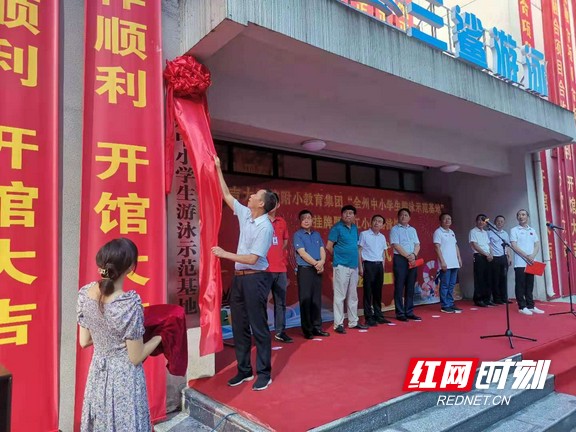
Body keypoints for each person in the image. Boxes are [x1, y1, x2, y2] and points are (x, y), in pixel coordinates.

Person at [77, 238, 162, 432]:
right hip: (124, 379)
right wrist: (160, 337)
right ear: (131, 267)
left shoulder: (85, 293)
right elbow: (136, 356)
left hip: (98, 374)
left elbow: (84, 341)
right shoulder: (128, 305)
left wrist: (105, 337)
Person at [211, 156, 276, 391]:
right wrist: (218, 168)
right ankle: (244, 370)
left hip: (256, 279)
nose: (250, 196)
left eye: (255, 196)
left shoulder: (265, 227)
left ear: (262, 204)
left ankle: (264, 373)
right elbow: (226, 196)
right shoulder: (246, 214)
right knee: (239, 326)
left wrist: (224, 254)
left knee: (258, 326)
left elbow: (252, 259)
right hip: (239, 280)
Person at [326, 205, 369, 333]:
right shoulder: (336, 228)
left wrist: (360, 266)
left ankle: (353, 322)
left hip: (354, 266)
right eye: (345, 213)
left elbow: (356, 248)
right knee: (340, 296)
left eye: (351, 213)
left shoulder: (355, 228)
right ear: (341, 215)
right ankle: (338, 324)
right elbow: (329, 246)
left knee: (353, 295)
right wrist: (338, 257)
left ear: (355, 216)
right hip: (341, 266)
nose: (348, 215)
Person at [294, 209, 330, 339]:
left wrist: (322, 262)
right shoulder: (298, 235)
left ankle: (317, 327)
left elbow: (322, 249)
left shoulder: (317, 235)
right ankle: (307, 330)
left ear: (312, 219)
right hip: (305, 269)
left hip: (317, 268)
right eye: (304, 218)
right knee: (306, 300)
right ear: (300, 221)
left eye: (309, 218)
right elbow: (302, 253)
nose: (307, 220)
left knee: (316, 300)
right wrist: (316, 263)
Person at [266, 193, 292, 343]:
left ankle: (280, 332)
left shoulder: (281, 221)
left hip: (280, 269)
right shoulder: (260, 221)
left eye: (274, 201)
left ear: (278, 204)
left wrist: (278, 254)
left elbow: (285, 241)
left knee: (280, 302)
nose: (271, 204)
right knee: (261, 302)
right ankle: (261, 333)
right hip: (264, 269)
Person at [358, 214, 391, 326]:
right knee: (368, 292)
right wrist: (360, 267)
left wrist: (383, 267)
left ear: (382, 225)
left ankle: (378, 315)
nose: (377, 223)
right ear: (371, 222)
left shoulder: (382, 237)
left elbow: (383, 254)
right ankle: (368, 317)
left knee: (378, 292)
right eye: (375, 221)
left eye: (380, 221)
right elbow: (359, 250)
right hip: (368, 265)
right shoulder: (364, 234)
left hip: (379, 266)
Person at [390, 208, 422, 321]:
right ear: (398, 217)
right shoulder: (394, 229)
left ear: (409, 218)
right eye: (401, 215)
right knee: (399, 286)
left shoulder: (413, 230)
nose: (404, 217)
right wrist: (408, 256)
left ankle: (409, 311)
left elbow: (417, 244)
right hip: (400, 259)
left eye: (406, 215)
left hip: (413, 259)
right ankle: (400, 313)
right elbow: (396, 245)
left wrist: (414, 254)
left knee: (410, 286)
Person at [510, 209, 543, 315]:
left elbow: (537, 244)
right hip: (520, 262)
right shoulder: (514, 230)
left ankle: (531, 305)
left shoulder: (532, 230)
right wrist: (526, 256)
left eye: (523, 214)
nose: (521, 216)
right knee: (520, 285)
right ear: (517, 218)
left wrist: (532, 256)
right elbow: (514, 246)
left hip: (532, 262)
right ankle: (522, 306)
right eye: (519, 215)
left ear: (527, 217)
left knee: (530, 284)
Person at [433, 213, 463, 314]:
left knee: (452, 285)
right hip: (445, 263)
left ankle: (451, 303)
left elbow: (455, 246)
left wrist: (459, 258)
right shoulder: (438, 232)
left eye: (449, 219)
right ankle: (444, 305)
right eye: (445, 219)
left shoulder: (451, 232)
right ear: (441, 221)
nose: (447, 221)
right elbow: (437, 247)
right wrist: (442, 262)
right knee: (445, 284)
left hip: (454, 262)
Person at [469, 214, 495, 307]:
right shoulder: (473, 231)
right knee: (479, 278)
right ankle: (478, 299)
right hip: (479, 256)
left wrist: (491, 254)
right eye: (479, 220)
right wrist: (486, 254)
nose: (481, 222)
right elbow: (475, 245)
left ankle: (487, 299)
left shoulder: (485, 232)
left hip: (488, 256)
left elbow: (489, 245)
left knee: (488, 278)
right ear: (476, 221)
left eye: (483, 220)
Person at [488, 215, 512, 305]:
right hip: (494, 257)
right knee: (495, 279)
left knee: (504, 278)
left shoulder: (505, 234)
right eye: (498, 221)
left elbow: (507, 246)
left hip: (503, 257)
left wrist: (509, 257)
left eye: (502, 221)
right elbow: (488, 245)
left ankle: (504, 298)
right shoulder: (490, 232)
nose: (500, 223)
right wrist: (490, 254)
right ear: (495, 222)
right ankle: (496, 298)